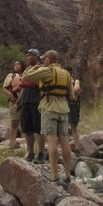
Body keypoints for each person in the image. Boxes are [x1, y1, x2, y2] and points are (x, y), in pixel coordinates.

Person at [22, 50, 74, 185]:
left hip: (49, 107)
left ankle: (55, 175)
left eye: (45, 59)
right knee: (65, 140)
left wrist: (34, 67)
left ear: (49, 60)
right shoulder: (67, 74)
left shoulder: (48, 71)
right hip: (64, 109)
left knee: (51, 140)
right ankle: (68, 175)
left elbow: (25, 77)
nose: (44, 61)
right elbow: (72, 96)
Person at [14, 49, 46, 164]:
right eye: (27, 56)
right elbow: (23, 88)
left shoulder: (41, 69)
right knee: (27, 129)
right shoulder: (27, 70)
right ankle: (31, 153)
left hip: (36, 100)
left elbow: (41, 85)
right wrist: (17, 103)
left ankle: (41, 153)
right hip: (26, 101)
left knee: (39, 128)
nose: (28, 58)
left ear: (36, 56)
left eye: (30, 56)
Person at [2, 60, 26, 149]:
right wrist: (10, 95)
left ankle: (26, 144)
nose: (15, 65)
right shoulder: (11, 76)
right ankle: (11, 144)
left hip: (26, 102)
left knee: (26, 123)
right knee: (14, 123)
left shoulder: (27, 74)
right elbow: (4, 88)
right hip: (14, 101)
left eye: (18, 64)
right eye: (15, 64)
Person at [64, 65, 82, 154]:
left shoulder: (75, 81)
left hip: (73, 106)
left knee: (74, 127)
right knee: (64, 127)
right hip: (65, 105)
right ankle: (66, 147)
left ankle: (77, 148)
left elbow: (76, 88)